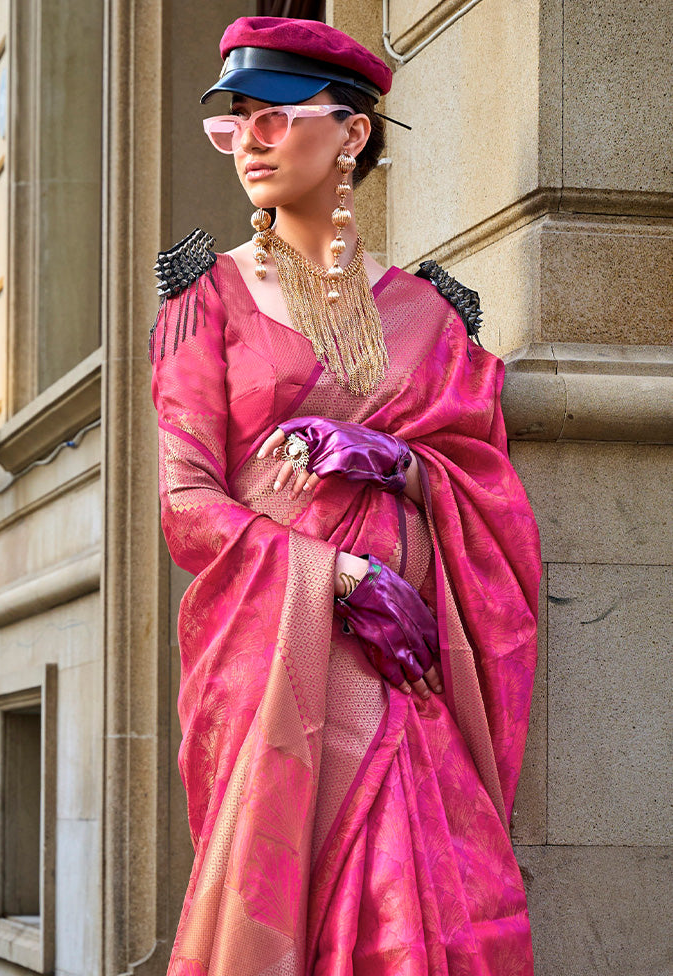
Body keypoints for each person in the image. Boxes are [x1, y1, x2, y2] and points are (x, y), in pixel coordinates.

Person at [150, 16, 541, 976]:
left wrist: (396, 462)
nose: (249, 141)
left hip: (406, 673)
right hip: (278, 664)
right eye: (235, 122)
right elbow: (186, 503)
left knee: (421, 908)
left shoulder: (433, 315)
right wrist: (340, 576)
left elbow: (485, 479)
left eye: (274, 119)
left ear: (353, 135)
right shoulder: (206, 301)